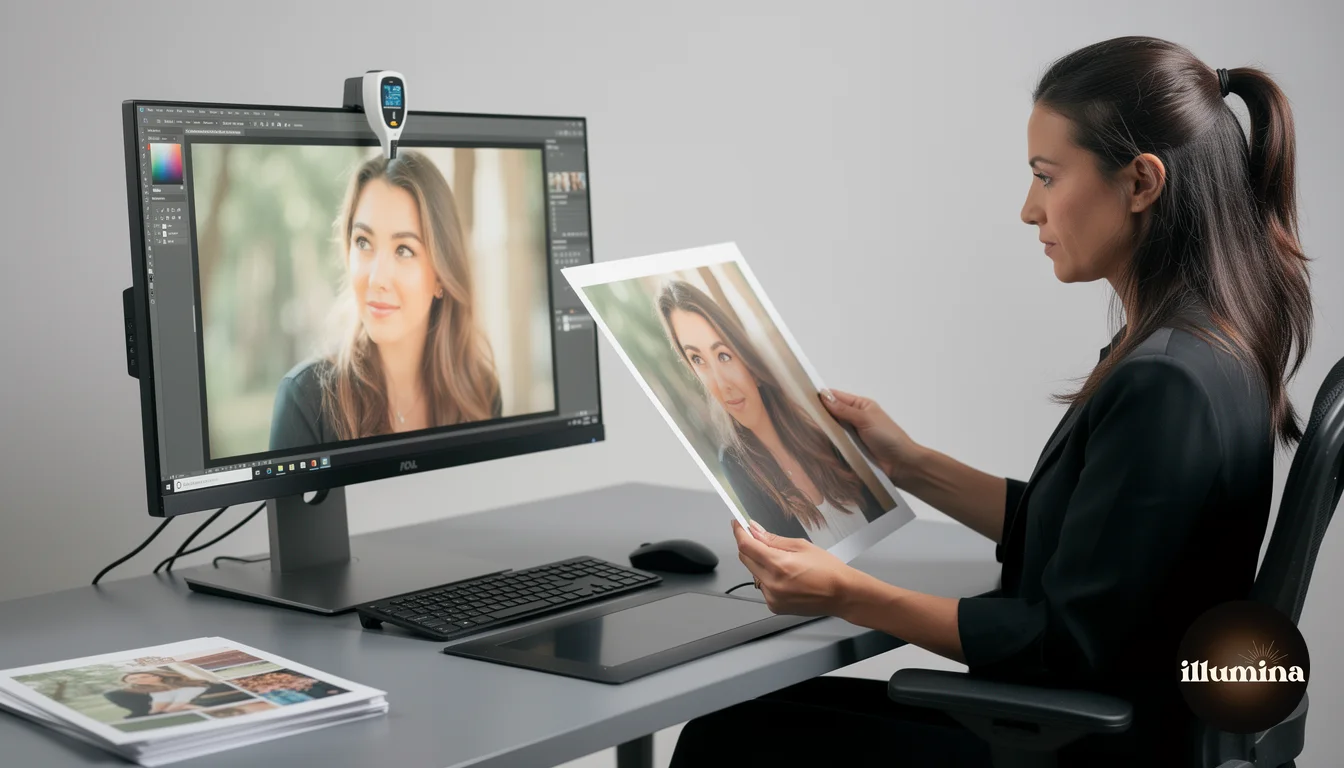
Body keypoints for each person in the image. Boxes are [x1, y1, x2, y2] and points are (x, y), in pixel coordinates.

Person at [670, 36, 1312, 768]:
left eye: (1046, 177)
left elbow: (1064, 646)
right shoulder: (1201, 345)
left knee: (724, 740)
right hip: (1112, 728)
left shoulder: (1165, 382)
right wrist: (909, 463)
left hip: (1089, 749)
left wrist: (846, 592)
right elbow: (1089, 541)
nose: (1029, 209)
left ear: (1141, 182)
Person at [269, 150, 502, 451]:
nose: (377, 278)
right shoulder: (306, 403)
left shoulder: (480, 395)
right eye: (363, 242)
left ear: (442, 277)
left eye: (404, 250)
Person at [657, 279, 887, 549]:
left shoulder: (816, 428)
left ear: (749, 361)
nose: (720, 383)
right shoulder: (736, 464)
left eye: (723, 355)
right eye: (698, 360)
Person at [102, 670, 244, 718]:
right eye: (132, 679)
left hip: (209, 700)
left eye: (144, 676)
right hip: (170, 710)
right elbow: (156, 710)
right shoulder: (144, 693)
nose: (139, 679)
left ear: (157, 675)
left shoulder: (188, 684)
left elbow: (215, 687)